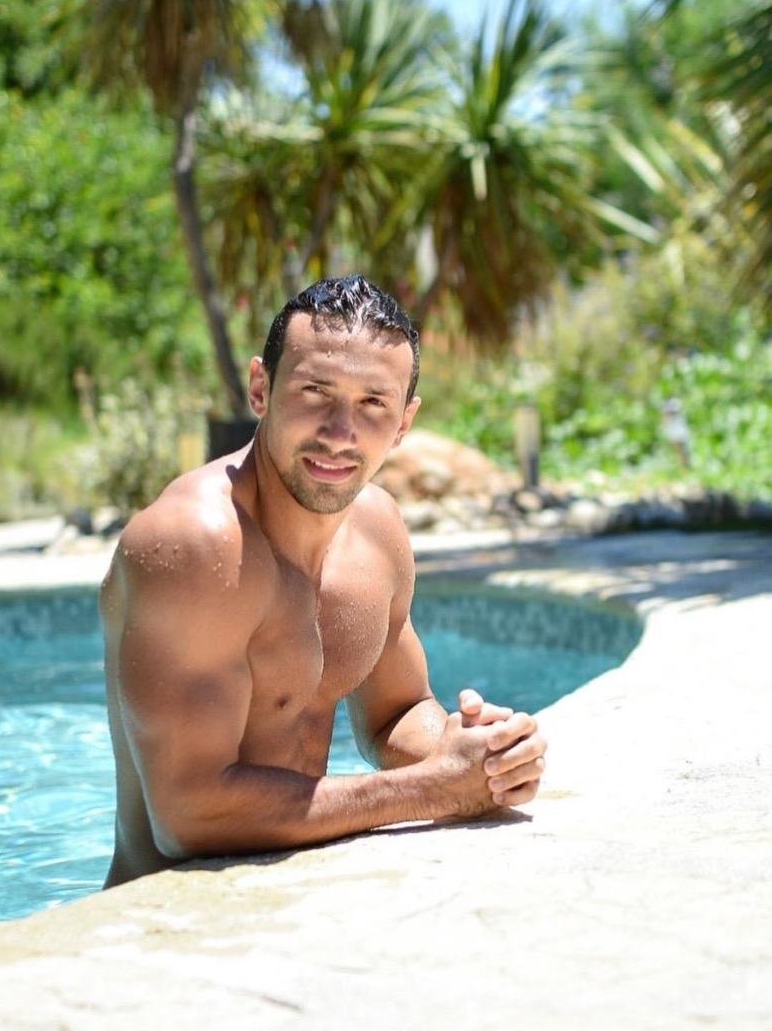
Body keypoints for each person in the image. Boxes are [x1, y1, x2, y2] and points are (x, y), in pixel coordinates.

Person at [100, 274, 547, 887]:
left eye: (373, 404)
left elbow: (395, 715)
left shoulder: (377, 531)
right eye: (316, 392)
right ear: (261, 388)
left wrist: (475, 752)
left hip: (301, 907)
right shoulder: (198, 545)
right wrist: (433, 787)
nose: (341, 434)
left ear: (405, 420)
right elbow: (187, 816)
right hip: (166, 926)